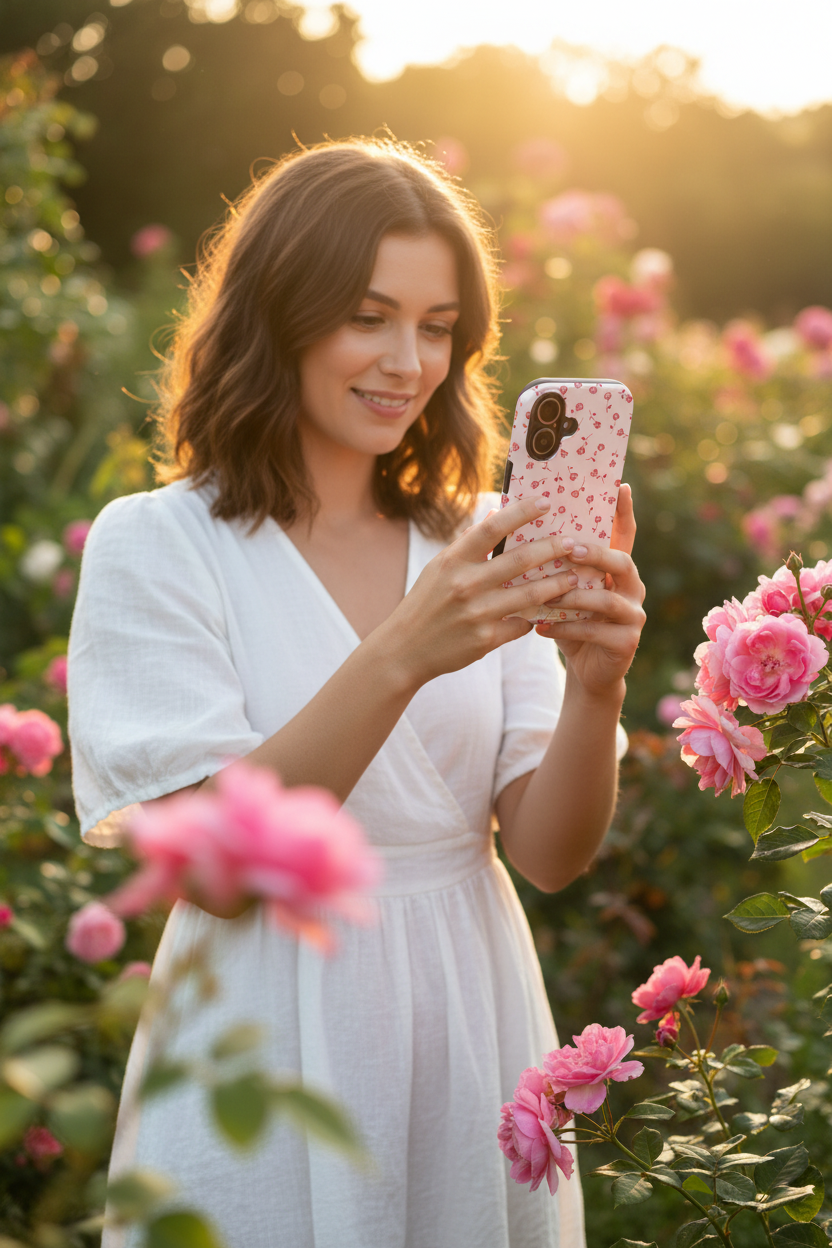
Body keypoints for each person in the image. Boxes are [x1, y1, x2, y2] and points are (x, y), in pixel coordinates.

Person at [68, 138, 646, 1248]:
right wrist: (402, 651)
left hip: (470, 1020)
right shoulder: (160, 545)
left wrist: (594, 689)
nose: (407, 362)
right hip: (264, 1032)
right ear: (276, 313)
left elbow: (549, 852)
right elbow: (217, 869)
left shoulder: (478, 540)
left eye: (438, 329)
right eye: (367, 316)